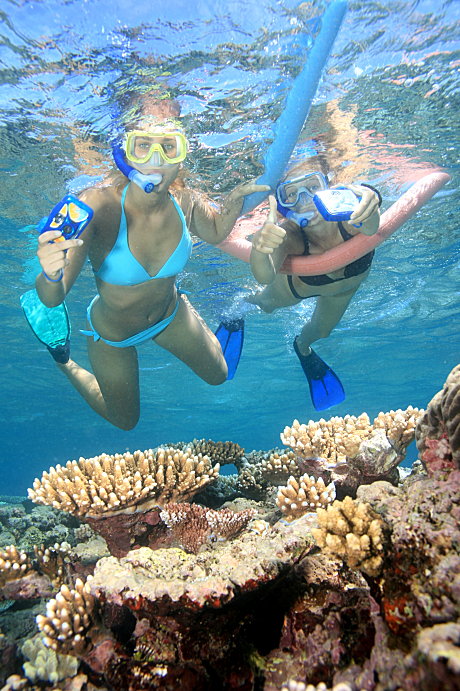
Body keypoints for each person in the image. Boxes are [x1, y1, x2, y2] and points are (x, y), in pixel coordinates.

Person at [26, 97, 269, 430]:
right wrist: (51, 272)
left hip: (170, 314)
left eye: (169, 146)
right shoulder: (97, 206)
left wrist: (234, 204)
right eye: (143, 146)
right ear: (124, 152)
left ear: (182, 155)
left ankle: (192, 307)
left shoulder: (185, 199)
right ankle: (63, 358)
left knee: (219, 375)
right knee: (125, 421)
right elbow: (51, 298)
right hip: (113, 333)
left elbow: (214, 232)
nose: (156, 159)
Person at [248, 149, 381, 411]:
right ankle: (241, 305)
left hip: (342, 291)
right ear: (282, 204)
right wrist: (260, 248)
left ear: (328, 185)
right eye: (292, 194)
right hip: (295, 288)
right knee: (266, 304)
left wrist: (371, 200)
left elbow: (371, 226)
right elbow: (264, 273)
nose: (305, 201)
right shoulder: (289, 234)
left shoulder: (351, 217)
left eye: (312, 186)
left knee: (322, 331)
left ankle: (302, 346)